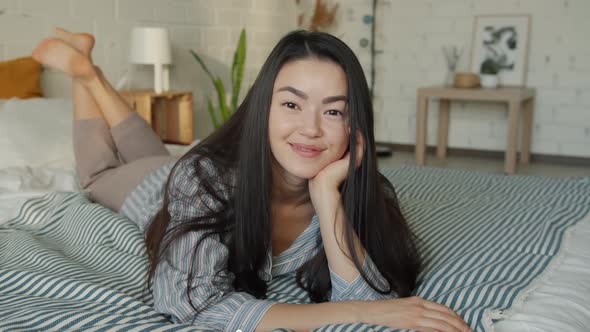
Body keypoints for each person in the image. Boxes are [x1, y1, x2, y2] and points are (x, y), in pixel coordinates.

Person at [32, 28, 472, 332]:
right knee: (99, 174)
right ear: (263, 107)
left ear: (355, 124)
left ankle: (89, 71)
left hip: (179, 166)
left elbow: (377, 305)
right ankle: (83, 73)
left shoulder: (351, 188)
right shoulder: (201, 180)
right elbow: (193, 304)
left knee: (155, 154)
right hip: (162, 188)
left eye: (333, 111)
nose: (312, 129)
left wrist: (326, 197)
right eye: (292, 105)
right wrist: (354, 311)